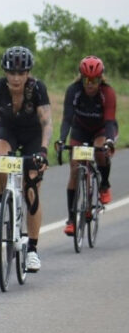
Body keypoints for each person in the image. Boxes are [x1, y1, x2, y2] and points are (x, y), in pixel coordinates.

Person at [0, 46, 52, 272]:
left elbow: (46, 123)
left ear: (28, 73)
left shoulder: (37, 89)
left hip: (32, 135)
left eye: (21, 73)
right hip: (7, 130)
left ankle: (33, 250)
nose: (16, 78)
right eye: (11, 73)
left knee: (31, 189)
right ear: (5, 72)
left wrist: (44, 151)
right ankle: (0, 200)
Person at [55, 55, 117, 235]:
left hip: (101, 130)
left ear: (100, 79)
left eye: (95, 80)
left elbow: (110, 122)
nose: (90, 84)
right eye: (86, 80)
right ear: (81, 78)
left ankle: (104, 184)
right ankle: (71, 219)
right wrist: (61, 139)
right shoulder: (73, 91)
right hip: (80, 129)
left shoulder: (107, 93)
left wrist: (109, 141)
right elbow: (66, 119)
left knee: (99, 153)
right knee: (75, 169)